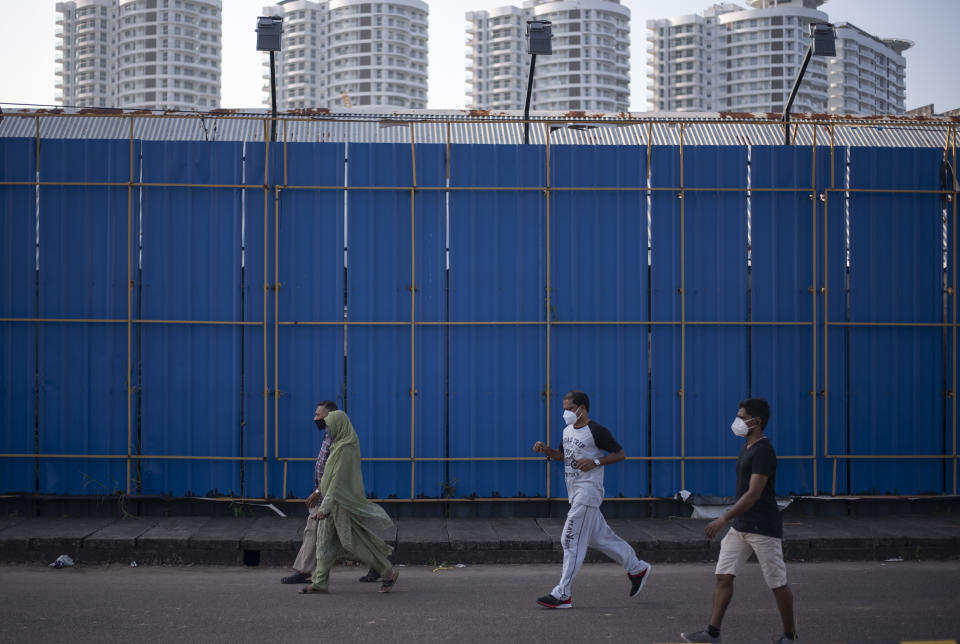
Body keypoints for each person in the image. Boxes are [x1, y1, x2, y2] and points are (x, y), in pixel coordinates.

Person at [681, 398, 796, 644]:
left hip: (762, 527)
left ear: (758, 421)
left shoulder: (764, 450)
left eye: (742, 417)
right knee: (724, 575)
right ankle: (712, 633)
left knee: (777, 583)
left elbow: (754, 493)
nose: (738, 421)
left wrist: (723, 517)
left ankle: (790, 636)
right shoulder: (747, 447)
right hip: (741, 526)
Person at [532, 390, 651, 608]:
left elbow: (620, 454)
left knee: (569, 541)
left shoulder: (596, 431)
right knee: (601, 538)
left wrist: (596, 462)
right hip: (574, 491)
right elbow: (563, 456)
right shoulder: (567, 430)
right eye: (564, 408)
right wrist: (546, 450)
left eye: (569, 409)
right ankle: (637, 568)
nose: (565, 413)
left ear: (582, 408)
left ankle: (562, 594)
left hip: (588, 492)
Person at [299, 410, 399, 595]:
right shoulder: (338, 445)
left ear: (339, 425)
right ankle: (319, 582)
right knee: (324, 541)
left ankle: (388, 572)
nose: (327, 428)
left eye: (329, 425)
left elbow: (337, 481)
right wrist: (318, 493)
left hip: (340, 504)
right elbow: (328, 477)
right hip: (329, 502)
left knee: (353, 543)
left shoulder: (346, 448)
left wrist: (325, 506)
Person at [280, 401, 378, 585]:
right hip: (323, 494)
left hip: (337, 496)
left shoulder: (341, 438)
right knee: (312, 530)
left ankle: (381, 565)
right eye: (315, 414)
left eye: (319, 415)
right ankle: (305, 571)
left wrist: (318, 491)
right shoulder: (328, 435)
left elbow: (336, 474)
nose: (315, 418)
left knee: (353, 537)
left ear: (331, 416)